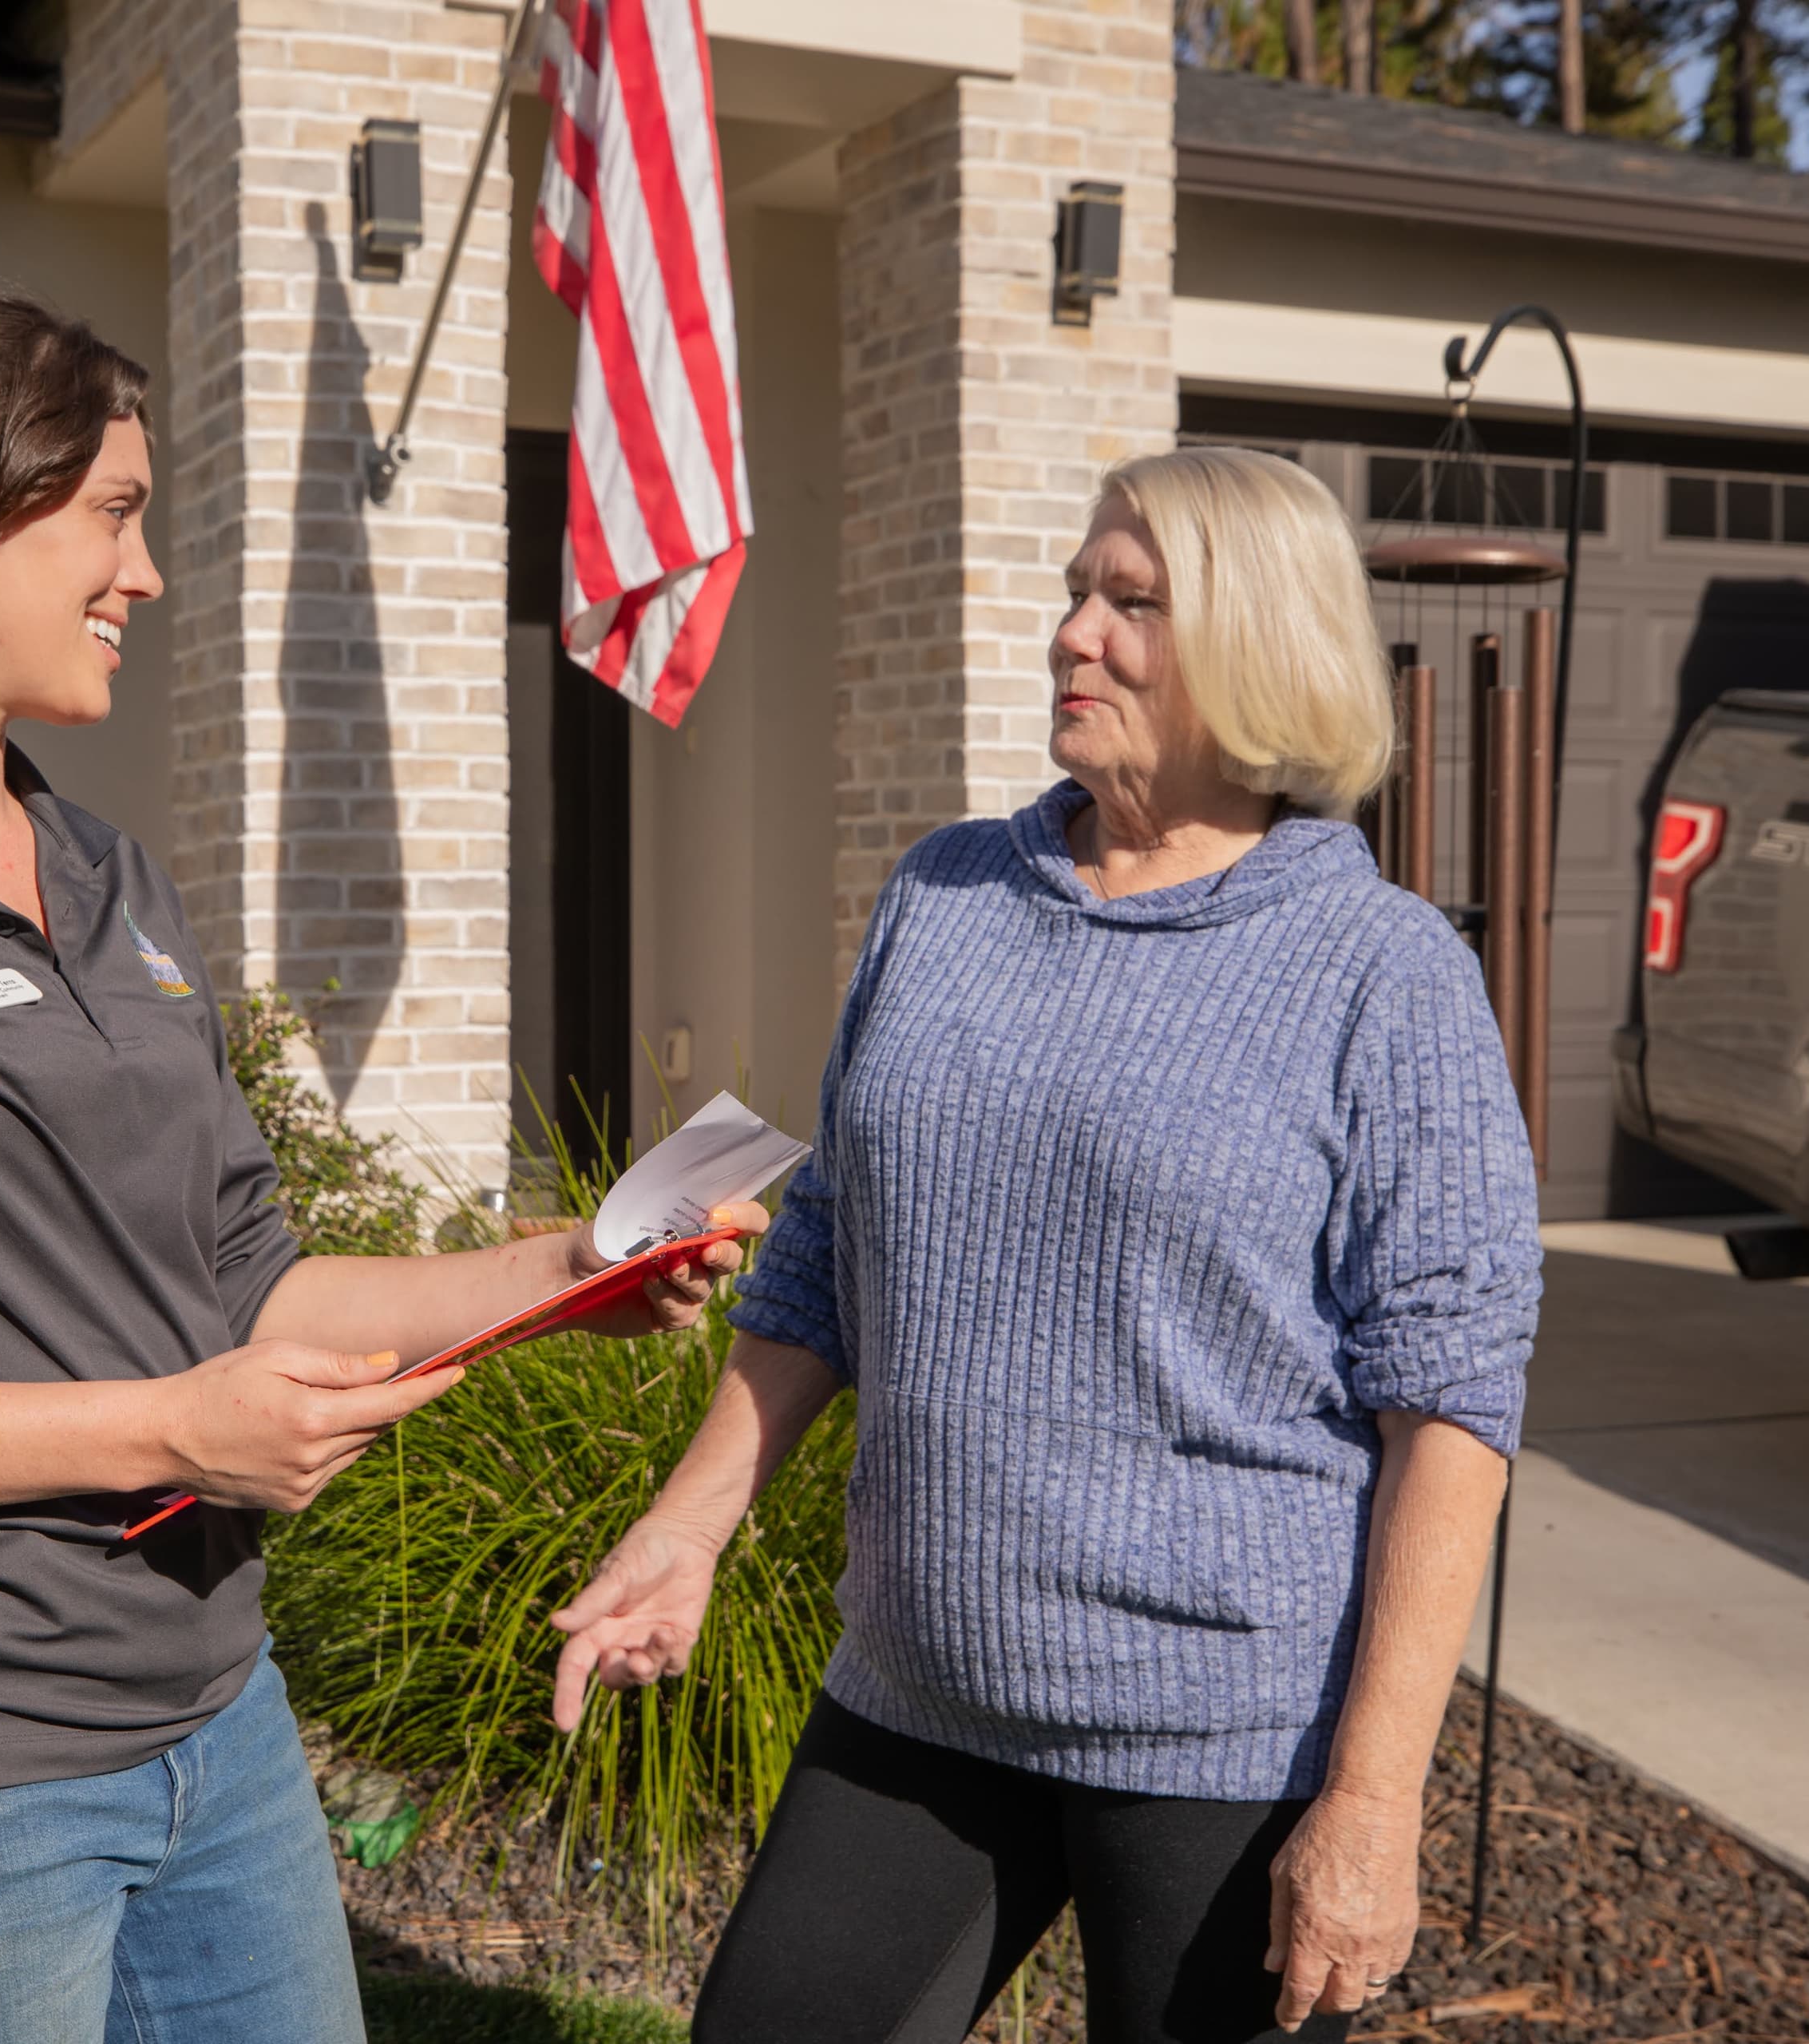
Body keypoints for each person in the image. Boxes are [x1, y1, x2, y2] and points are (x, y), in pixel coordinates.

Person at [0, 285, 755, 2044]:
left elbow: (244, 1278)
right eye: (113, 512)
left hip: (209, 1724)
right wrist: (171, 1432)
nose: (148, 572)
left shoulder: (106, 875)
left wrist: (564, 1273)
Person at [548, 446, 1540, 2044]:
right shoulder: (944, 895)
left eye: (1133, 602)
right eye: (1079, 591)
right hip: (921, 1688)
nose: (1074, 631)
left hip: (1231, 1741)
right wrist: (689, 1525)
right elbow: (827, 1251)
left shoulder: (1382, 971)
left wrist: (1371, 1798)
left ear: (1261, 644)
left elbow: (1452, 1406)